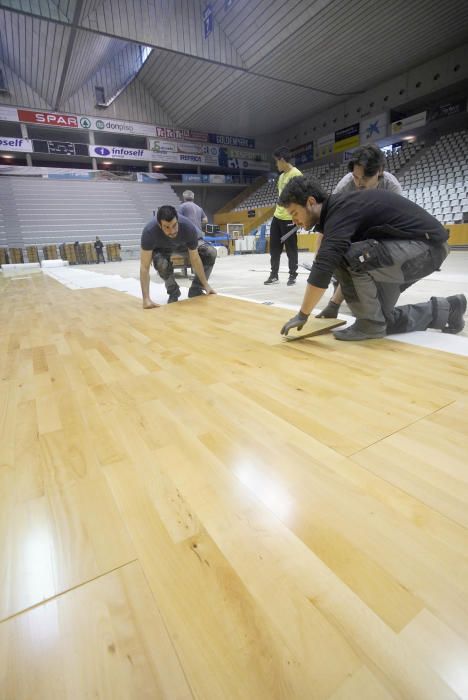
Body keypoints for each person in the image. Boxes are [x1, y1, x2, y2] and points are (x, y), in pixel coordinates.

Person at [278, 175, 466, 341]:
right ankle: (447, 309)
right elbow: (348, 267)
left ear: (311, 202)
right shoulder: (339, 212)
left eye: (294, 213)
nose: (294, 221)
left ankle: (369, 324)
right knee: (380, 318)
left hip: (427, 248)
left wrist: (303, 314)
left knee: (348, 260)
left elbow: (326, 267)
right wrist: (333, 305)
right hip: (415, 250)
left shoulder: (339, 211)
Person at [317, 145, 402, 318]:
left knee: (382, 313)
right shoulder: (345, 186)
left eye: (365, 177)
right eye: (356, 177)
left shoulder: (392, 188)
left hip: (385, 235)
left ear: (379, 171)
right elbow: (327, 224)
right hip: (353, 229)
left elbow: (396, 229)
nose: (359, 183)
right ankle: (339, 289)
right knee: (345, 256)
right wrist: (320, 257)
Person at [140, 205, 217, 308]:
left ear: (178, 220)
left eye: (174, 225)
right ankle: (173, 292)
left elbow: (195, 258)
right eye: (166, 227)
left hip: (183, 246)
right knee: (160, 262)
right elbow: (144, 267)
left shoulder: (188, 227)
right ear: (159, 225)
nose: (172, 231)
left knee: (210, 252)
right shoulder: (149, 232)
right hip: (162, 248)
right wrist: (146, 299)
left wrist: (206, 285)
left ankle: (196, 289)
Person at [264, 147, 302, 286]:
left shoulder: (296, 174)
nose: (276, 165)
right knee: (274, 248)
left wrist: (297, 217)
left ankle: (293, 275)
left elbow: (300, 198)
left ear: (282, 160)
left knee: (291, 249)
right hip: (277, 216)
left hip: (289, 218)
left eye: (276, 161)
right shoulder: (281, 177)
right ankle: (274, 275)